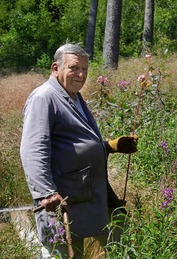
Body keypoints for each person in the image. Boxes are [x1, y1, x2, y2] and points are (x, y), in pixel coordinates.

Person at [20, 43, 138, 258]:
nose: (81, 74)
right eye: (74, 68)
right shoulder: (43, 98)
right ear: (56, 68)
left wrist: (110, 146)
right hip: (61, 199)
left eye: (84, 69)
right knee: (64, 252)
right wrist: (46, 193)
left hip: (85, 193)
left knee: (120, 243)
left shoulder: (74, 96)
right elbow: (33, 149)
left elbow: (72, 144)